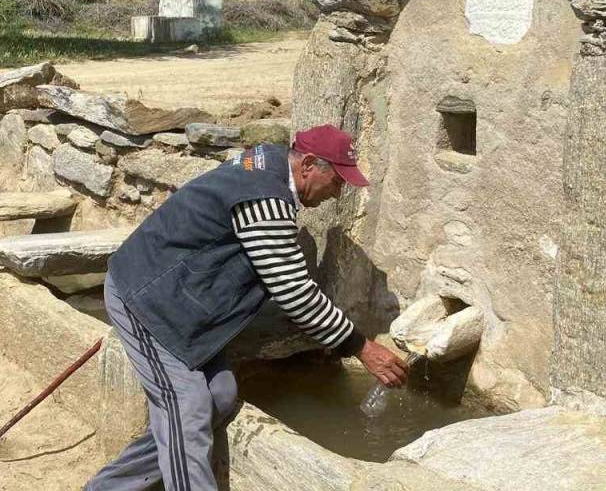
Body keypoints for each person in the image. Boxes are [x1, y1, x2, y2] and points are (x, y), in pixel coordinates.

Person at [85, 124, 409, 491]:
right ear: (308, 165)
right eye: (336, 182)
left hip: (181, 302)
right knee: (187, 407)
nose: (337, 194)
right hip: (148, 302)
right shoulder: (266, 198)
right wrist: (361, 347)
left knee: (219, 397)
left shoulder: (268, 161)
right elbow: (294, 291)